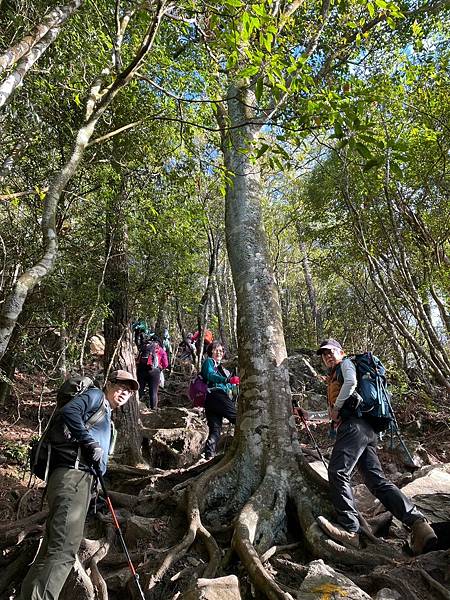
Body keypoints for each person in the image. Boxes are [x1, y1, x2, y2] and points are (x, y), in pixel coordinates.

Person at [20, 369, 139, 600]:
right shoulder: (95, 397)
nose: (124, 392)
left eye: (130, 391)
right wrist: (88, 441)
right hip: (72, 478)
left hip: (80, 483)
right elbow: (69, 411)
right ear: (110, 384)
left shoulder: (107, 418)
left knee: (52, 550)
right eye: (121, 386)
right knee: (64, 549)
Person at [315, 338, 437, 554]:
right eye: (324, 355)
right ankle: (419, 523)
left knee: (338, 471)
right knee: (376, 481)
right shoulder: (334, 377)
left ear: (340, 352)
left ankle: (351, 530)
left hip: (354, 427)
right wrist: (311, 415)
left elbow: (351, 384)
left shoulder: (346, 365)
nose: (327, 356)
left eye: (330, 352)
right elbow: (334, 412)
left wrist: (338, 407)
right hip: (367, 430)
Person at [201, 341, 239, 459]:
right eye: (216, 350)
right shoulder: (209, 362)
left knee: (215, 430)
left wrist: (233, 386)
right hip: (216, 395)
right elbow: (210, 375)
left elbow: (230, 387)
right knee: (236, 418)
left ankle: (209, 455)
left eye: (221, 351)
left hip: (213, 399)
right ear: (211, 351)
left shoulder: (220, 367)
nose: (219, 352)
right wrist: (227, 380)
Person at [136, 337, 168, 409]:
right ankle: (153, 409)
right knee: (153, 391)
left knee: (140, 389)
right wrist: (160, 368)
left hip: (141, 370)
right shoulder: (161, 350)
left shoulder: (144, 347)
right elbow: (166, 364)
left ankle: (135, 405)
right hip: (154, 371)